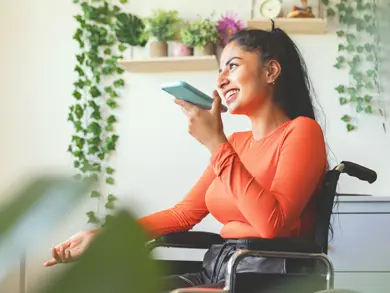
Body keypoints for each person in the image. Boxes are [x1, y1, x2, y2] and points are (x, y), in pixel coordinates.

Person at [44, 26, 327, 292]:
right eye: (219, 70)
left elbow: (271, 224)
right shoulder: (236, 144)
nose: (220, 80)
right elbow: (183, 214)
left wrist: (215, 143)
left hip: (267, 274)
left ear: (270, 71)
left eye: (233, 65)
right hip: (220, 269)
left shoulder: (302, 131)